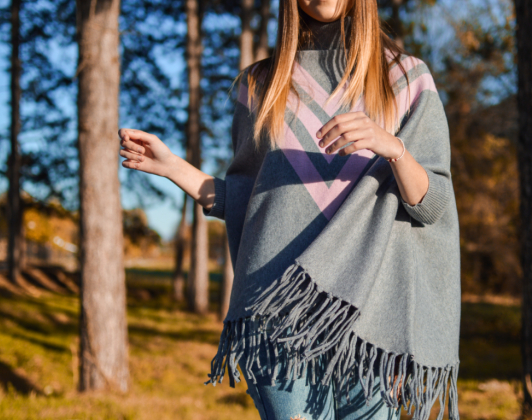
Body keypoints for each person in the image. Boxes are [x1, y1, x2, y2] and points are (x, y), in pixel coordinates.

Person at [118, 0, 461, 419]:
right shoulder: (259, 85)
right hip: (278, 316)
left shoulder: (406, 78)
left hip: (373, 323)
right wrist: (174, 167)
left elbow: (432, 206)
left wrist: (392, 148)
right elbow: (248, 204)